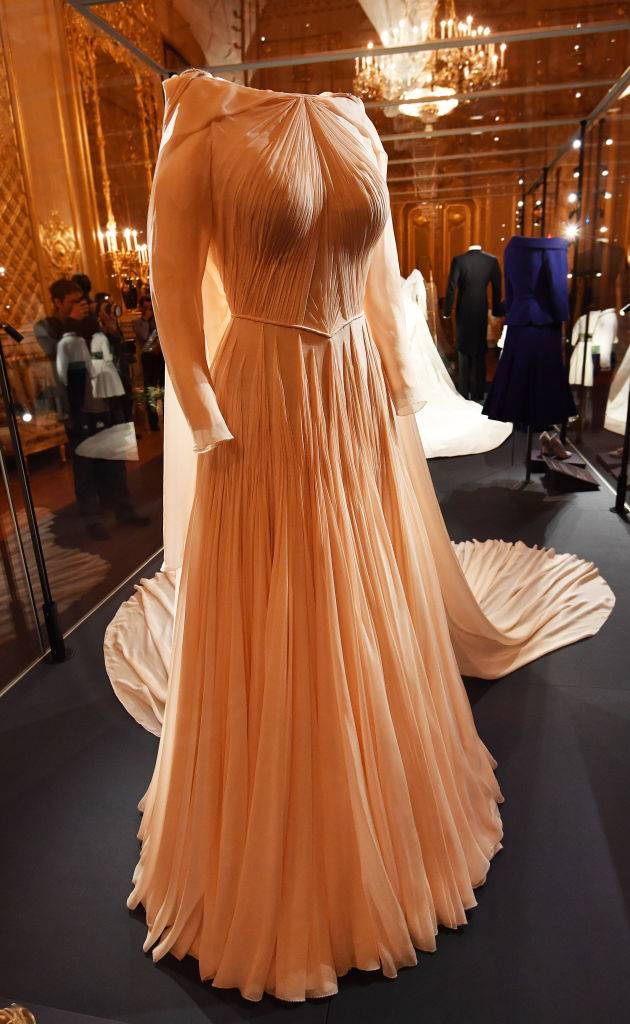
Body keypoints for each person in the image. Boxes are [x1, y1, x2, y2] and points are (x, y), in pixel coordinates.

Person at [133, 296, 164, 431]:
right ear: (141, 308)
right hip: (147, 359)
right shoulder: (137, 323)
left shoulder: (159, 320)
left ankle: (168, 419)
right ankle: (153, 422)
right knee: (151, 390)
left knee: (164, 389)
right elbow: (146, 337)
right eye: (145, 308)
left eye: (150, 307)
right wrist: (146, 320)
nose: (149, 310)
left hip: (160, 358)